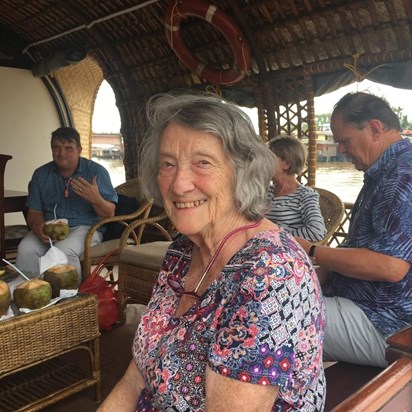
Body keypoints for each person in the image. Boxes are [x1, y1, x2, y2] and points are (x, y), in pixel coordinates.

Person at [98, 93, 326, 411]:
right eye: (168, 164)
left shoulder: (272, 274)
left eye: (202, 162)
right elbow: (135, 379)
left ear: (241, 172)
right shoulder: (181, 252)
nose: (179, 184)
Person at [296, 92, 412, 368]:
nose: (341, 150)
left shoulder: (401, 176)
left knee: (268, 317)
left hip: (389, 322)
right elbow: (366, 250)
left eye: (344, 141)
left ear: (374, 129)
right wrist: (318, 273)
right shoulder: (385, 172)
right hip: (372, 308)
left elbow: (391, 267)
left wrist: (312, 250)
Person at [16, 126, 118, 284]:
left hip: (85, 228)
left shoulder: (96, 172)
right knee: (26, 248)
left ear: (79, 150)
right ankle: (31, 293)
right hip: (49, 228)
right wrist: (37, 227)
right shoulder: (41, 174)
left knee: (63, 251)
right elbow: (34, 213)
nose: (61, 153)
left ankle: (69, 299)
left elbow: (110, 213)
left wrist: (96, 199)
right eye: (56, 147)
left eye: (68, 148)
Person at [266, 134, 326, 241]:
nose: (263, 163)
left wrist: (274, 236)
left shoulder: (304, 195)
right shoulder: (266, 192)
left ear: (287, 164)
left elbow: (317, 231)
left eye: (268, 158)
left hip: (286, 254)